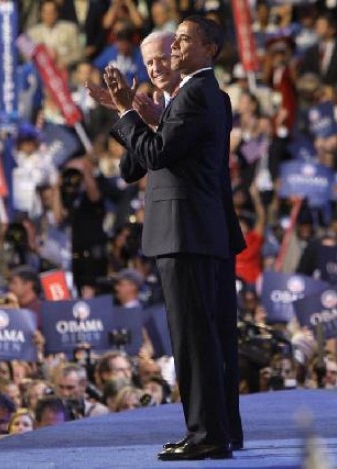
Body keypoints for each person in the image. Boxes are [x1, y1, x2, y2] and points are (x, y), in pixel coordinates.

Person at [103, 16, 241, 461]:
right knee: (200, 339)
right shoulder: (193, 95)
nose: (175, 50)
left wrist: (126, 112)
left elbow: (159, 153)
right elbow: (140, 163)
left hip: (187, 232)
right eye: (174, 41)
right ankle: (215, 431)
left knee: (194, 340)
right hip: (190, 231)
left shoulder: (198, 94)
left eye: (182, 42)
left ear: (209, 49)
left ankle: (208, 436)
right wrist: (147, 119)